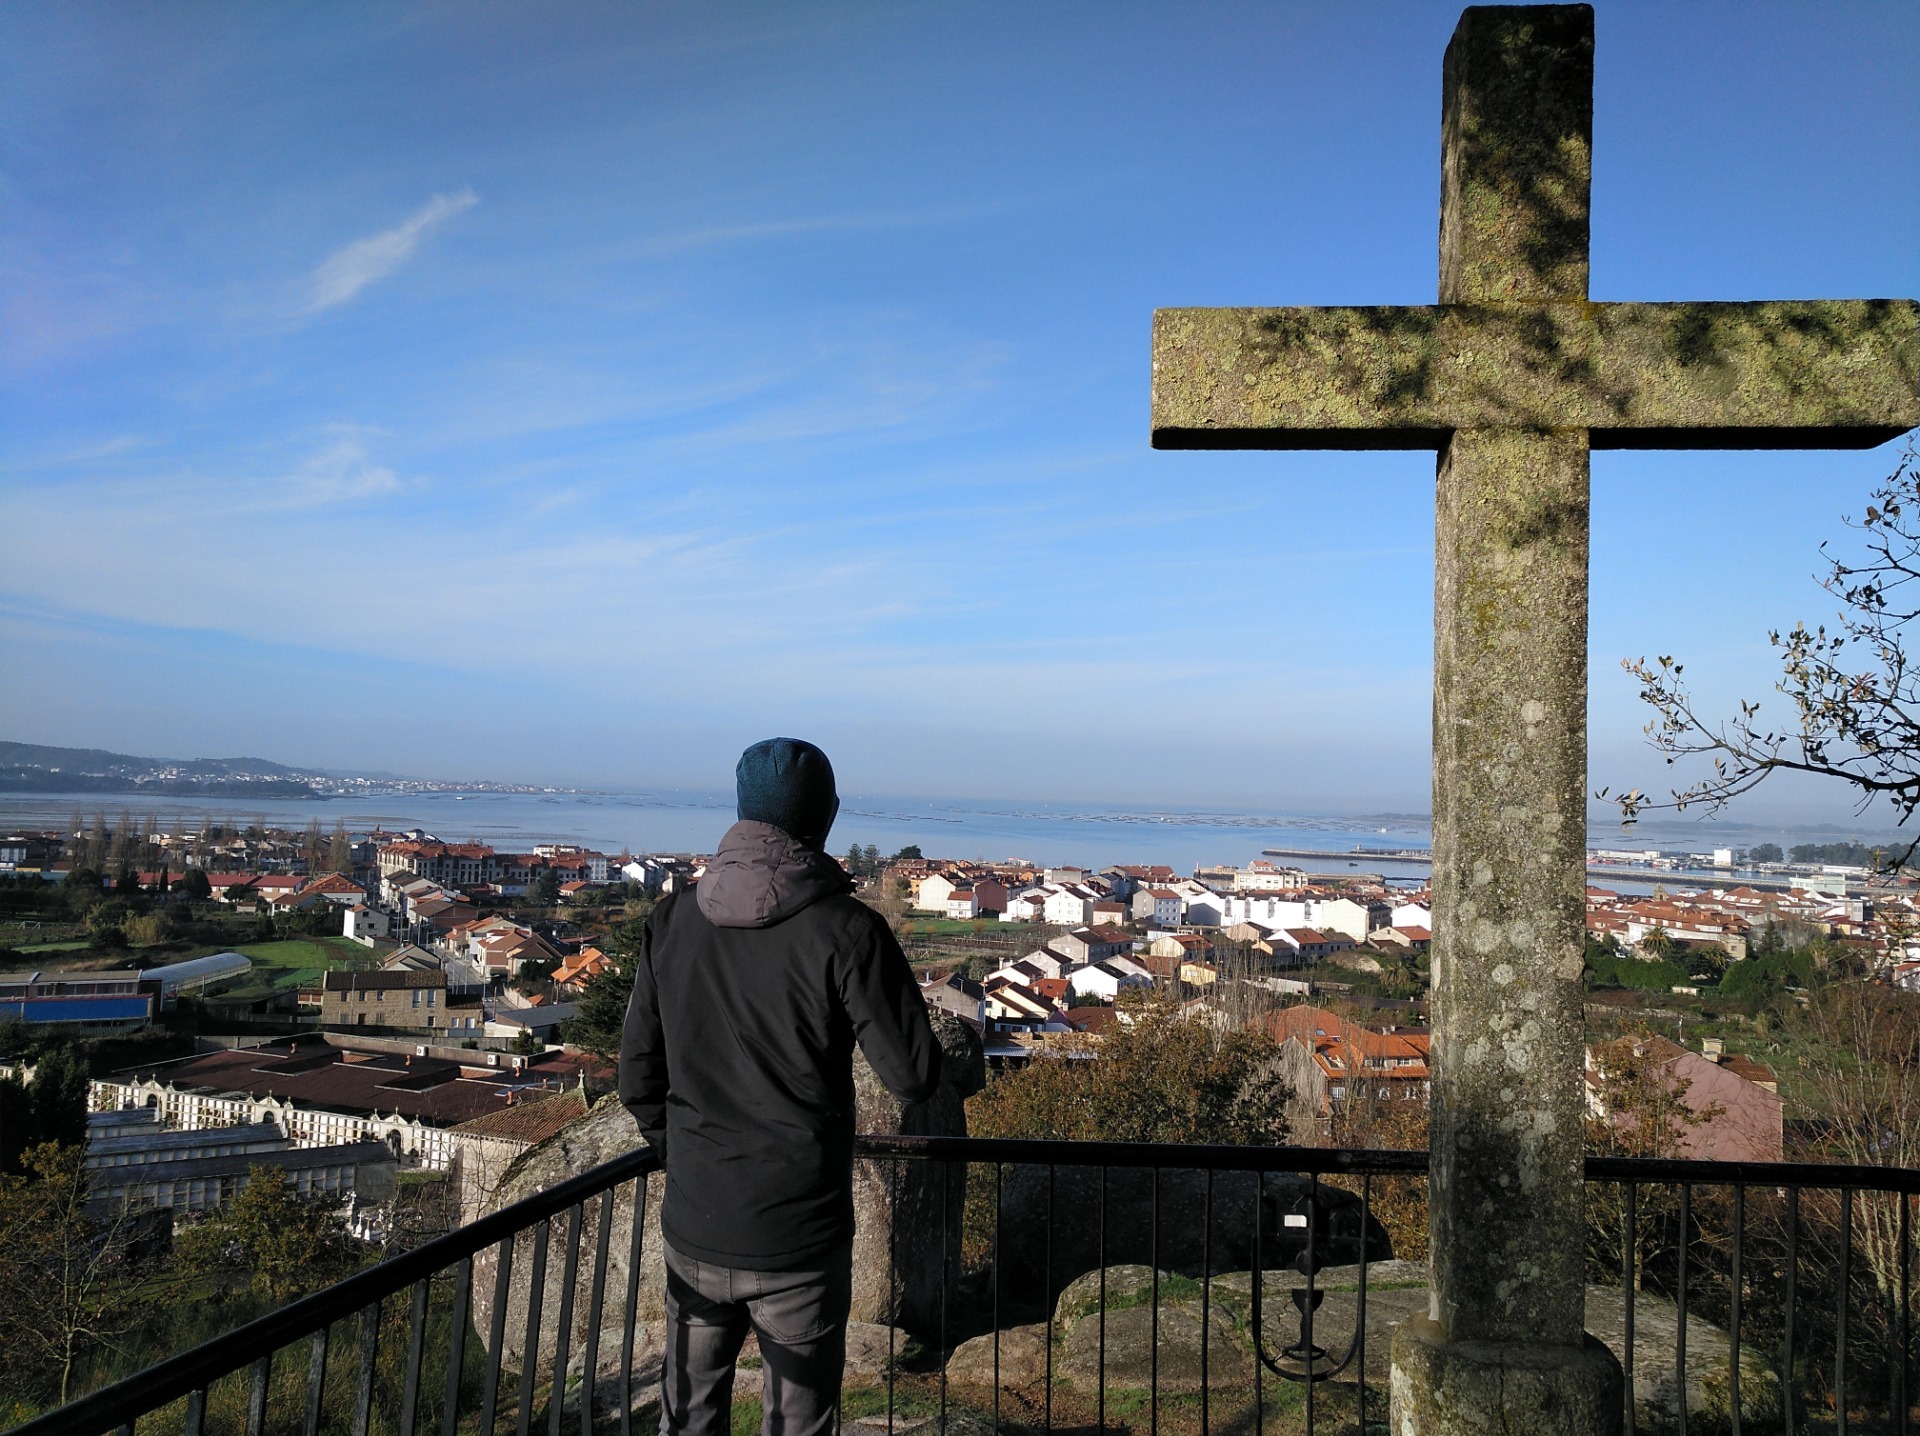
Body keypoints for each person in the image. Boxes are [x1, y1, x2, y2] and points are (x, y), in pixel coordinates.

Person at [620, 737, 941, 1436]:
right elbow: (915, 1075)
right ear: (822, 820)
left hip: (697, 1219)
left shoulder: (671, 921)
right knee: (798, 1422)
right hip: (799, 1228)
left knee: (688, 1415)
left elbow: (636, 1076)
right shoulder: (849, 931)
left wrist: (681, 1153)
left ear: (744, 814)